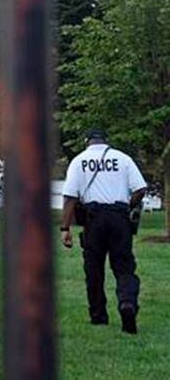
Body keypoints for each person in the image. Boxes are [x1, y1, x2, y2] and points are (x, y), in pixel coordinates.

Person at [59, 129, 147, 334]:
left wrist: (65, 228)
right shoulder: (123, 159)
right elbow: (140, 189)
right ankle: (127, 302)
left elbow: (70, 196)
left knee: (94, 269)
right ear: (105, 141)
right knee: (124, 266)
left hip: (93, 219)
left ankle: (98, 315)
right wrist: (127, 205)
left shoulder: (79, 161)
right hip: (119, 218)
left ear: (87, 141)